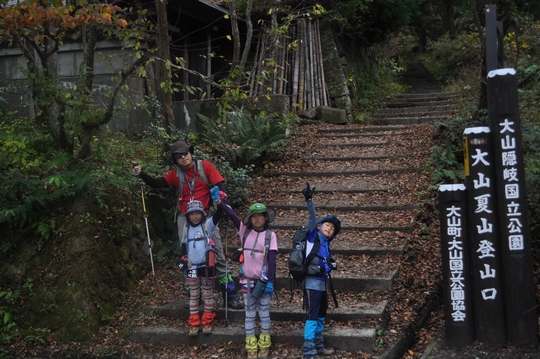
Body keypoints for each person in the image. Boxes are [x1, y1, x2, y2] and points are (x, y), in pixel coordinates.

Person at [132, 140, 244, 309]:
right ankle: (193, 294)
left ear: (191, 152)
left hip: (206, 216)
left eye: (185, 153)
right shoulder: (175, 175)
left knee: (218, 254)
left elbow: (219, 184)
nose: (183, 157)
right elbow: (156, 183)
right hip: (185, 217)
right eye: (178, 156)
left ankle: (229, 294)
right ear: (175, 159)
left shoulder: (204, 167)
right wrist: (141, 173)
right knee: (188, 255)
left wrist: (222, 199)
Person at [222, 202, 277, 359]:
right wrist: (219, 202)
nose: (257, 219)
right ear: (250, 219)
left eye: (260, 216)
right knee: (250, 313)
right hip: (246, 281)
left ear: (266, 217)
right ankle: (251, 344)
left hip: (263, 281)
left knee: (264, 313)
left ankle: (265, 343)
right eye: (254, 216)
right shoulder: (244, 231)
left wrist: (271, 281)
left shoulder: (270, 235)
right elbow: (232, 216)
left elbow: (272, 260)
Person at [300, 183, 341, 359]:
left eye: (332, 229)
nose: (329, 229)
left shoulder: (326, 245)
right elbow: (312, 218)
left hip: (322, 283)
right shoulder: (312, 237)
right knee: (312, 315)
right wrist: (309, 201)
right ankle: (308, 350)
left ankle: (318, 344)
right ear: (319, 226)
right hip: (312, 283)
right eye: (327, 226)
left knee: (322, 314)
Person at [178, 198, 222, 336]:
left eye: (198, 213)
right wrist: (182, 260)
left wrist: (219, 204)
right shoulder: (186, 229)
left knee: (208, 293)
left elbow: (218, 216)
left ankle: (207, 321)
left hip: (206, 267)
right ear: (188, 215)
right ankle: (194, 323)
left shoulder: (207, 225)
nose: (195, 216)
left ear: (203, 214)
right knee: (194, 294)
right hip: (192, 267)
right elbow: (183, 248)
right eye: (192, 214)